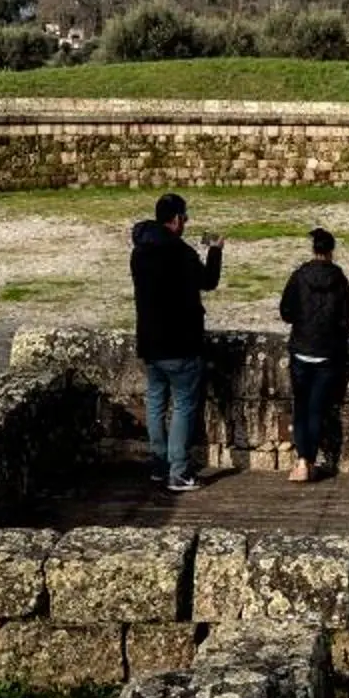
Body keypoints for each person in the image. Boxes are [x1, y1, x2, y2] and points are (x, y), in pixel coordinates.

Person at [128, 191, 223, 493]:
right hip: (180, 343)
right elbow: (208, 281)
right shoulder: (180, 254)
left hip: (150, 342)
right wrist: (216, 250)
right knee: (183, 405)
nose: (187, 221)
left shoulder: (140, 252)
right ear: (177, 219)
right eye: (185, 216)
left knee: (156, 402)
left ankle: (159, 464)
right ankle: (178, 471)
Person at [277, 227, 349, 483]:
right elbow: (344, 320)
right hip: (327, 352)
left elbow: (285, 311)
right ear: (331, 251)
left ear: (314, 249)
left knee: (301, 407)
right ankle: (309, 461)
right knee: (317, 409)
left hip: (301, 348)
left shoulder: (299, 276)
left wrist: (302, 319)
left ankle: (301, 461)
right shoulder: (339, 279)